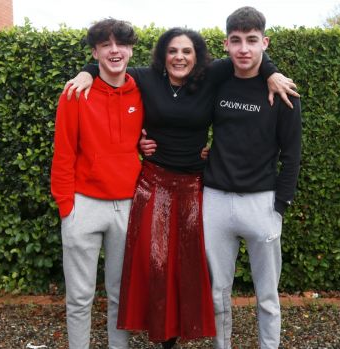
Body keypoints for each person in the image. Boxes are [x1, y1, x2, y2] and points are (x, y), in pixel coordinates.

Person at [65, 28, 298, 349]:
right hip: (153, 184)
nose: (179, 57)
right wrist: (86, 72)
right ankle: (162, 336)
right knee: (156, 265)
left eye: (187, 51)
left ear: (198, 56)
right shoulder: (146, 78)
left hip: (194, 187)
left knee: (187, 267)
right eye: (173, 51)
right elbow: (111, 65)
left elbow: (245, 54)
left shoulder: (210, 77)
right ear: (163, 55)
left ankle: (181, 332)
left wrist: (271, 72)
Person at [202, 7, 302, 349]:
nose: (244, 48)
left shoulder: (283, 91)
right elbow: (170, 82)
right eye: (236, 41)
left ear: (265, 42)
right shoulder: (217, 78)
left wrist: (280, 206)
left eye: (252, 40)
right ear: (226, 44)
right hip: (215, 201)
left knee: (267, 296)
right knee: (217, 294)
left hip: (262, 204)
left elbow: (292, 154)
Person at [50, 19, 143, 349]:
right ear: (95, 51)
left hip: (128, 206)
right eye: (106, 45)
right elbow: (63, 154)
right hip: (83, 205)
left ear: (131, 49)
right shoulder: (76, 93)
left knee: (121, 295)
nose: (114, 51)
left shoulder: (142, 91)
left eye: (121, 44)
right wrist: (67, 207)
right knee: (79, 297)